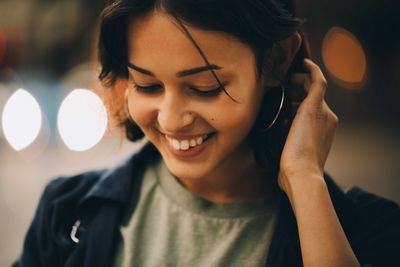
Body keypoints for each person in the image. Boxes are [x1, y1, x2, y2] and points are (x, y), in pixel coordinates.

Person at [14, 0, 400, 266]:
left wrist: (305, 178)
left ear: (277, 60)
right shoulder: (65, 216)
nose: (170, 119)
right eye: (147, 86)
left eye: (205, 87)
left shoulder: (363, 233)